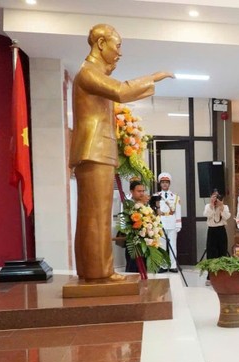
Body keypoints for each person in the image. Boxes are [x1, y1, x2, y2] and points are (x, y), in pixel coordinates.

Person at [70, 23, 172, 282]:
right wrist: (153, 77)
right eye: (117, 46)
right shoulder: (88, 73)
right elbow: (120, 90)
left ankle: (93, 271)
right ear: (101, 44)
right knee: (96, 215)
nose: (120, 52)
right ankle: (97, 272)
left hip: (95, 150)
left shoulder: (91, 72)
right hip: (95, 150)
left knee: (94, 215)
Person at [156, 172, 181, 273]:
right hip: (160, 223)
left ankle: (173, 265)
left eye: (166, 182)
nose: (165, 184)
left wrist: (178, 225)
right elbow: (153, 211)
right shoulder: (156, 196)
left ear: (169, 183)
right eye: (163, 182)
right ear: (160, 184)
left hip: (172, 223)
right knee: (162, 245)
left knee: (173, 245)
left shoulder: (175, 197)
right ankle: (163, 265)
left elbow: (178, 211)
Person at [124, 180, 149, 273]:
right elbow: (127, 220)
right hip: (132, 242)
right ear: (132, 191)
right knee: (132, 268)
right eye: (139, 191)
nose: (142, 193)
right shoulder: (127, 203)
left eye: (143, 191)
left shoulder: (146, 204)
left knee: (143, 268)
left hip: (144, 241)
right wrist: (141, 204)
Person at [204, 189, 231, 258]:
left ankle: (221, 268)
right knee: (211, 250)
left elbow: (227, 217)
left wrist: (221, 207)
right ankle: (211, 268)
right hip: (211, 230)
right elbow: (207, 215)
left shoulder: (225, 207)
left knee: (222, 250)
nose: (216, 199)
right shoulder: (208, 206)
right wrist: (212, 206)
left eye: (217, 197)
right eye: (214, 196)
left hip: (221, 230)